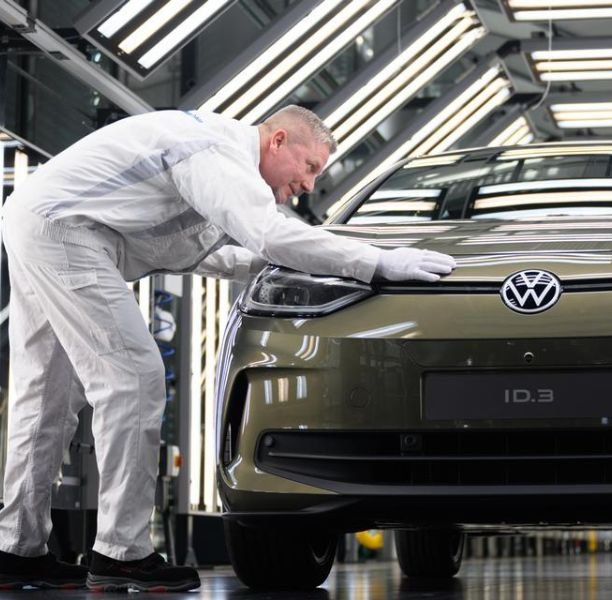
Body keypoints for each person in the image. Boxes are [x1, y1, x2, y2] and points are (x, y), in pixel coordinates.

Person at [0, 106, 456, 592]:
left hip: (42, 220)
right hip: (66, 231)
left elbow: (213, 251)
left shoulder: (209, 157)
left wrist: (295, 263)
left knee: (45, 396)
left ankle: (16, 550)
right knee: (133, 379)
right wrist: (377, 262)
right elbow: (271, 235)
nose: (309, 185)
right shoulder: (217, 153)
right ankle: (122, 552)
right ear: (278, 140)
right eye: (311, 167)